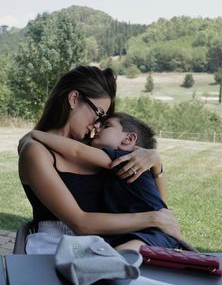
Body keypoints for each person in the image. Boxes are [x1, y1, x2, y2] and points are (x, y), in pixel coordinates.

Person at [18, 65, 180, 254]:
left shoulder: (97, 147)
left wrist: (156, 163)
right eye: (99, 114)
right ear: (74, 99)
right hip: (55, 248)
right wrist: (152, 219)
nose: (97, 125)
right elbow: (80, 222)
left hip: (109, 246)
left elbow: (156, 205)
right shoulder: (36, 151)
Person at [31, 112, 179, 251]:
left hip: (154, 233)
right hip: (139, 230)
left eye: (106, 126)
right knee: (114, 252)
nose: (96, 127)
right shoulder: (129, 164)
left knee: (122, 253)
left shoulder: (123, 157)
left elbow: (77, 151)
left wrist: (35, 134)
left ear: (128, 139)